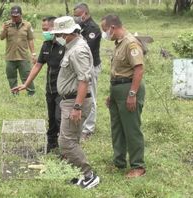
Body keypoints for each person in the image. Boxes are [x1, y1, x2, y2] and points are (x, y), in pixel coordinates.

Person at [51, 16, 99, 189]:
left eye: (59, 34)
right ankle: (77, 173)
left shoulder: (78, 50)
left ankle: (89, 175)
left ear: (69, 33)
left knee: (66, 142)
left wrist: (77, 107)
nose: (57, 37)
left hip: (74, 102)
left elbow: (84, 80)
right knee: (72, 139)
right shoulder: (73, 46)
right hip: (69, 100)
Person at [101, 14, 146, 178]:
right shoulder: (118, 44)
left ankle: (138, 166)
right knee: (117, 128)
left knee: (131, 129)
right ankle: (119, 162)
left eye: (105, 30)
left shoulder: (130, 43)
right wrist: (111, 95)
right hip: (117, 89)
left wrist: (132, 94)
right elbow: (117, 72)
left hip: (129, 89)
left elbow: (139, 69)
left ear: (112, 27)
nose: (105, 34)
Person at [11, 16, 64, 153]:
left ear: (55, 28)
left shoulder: (65, 46)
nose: (44, 32)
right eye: (42, 29)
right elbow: (38, 65)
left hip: (63, 90)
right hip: (50, 88)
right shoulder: (46, 45)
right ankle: (51, 144)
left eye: (46, 29)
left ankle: (65, 147)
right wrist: (26, 84)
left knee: (60, 118)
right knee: (52, 118)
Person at [73, 3, 102, 139]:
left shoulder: (93, 29)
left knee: (91, 97)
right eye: (75, 16)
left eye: (78, 15)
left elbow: (85, 48)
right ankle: (79, 125)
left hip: (91, 67)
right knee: (80, 95)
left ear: (85, 13)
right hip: (80, 66)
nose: (76, 18)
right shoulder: (80, 26)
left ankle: (88, 129)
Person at [0, 5, 36, 96]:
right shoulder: (6, 24)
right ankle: (14, 94)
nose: (14, 18)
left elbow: (30, 39)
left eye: (16, 16)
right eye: (12, 16)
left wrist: (33, 53)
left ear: (21, 15)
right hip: (10, 56)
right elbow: (1, 37)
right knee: (11, 77)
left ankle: (31, 93)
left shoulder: (27, 25)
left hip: (23, 56)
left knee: (26, 76)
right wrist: (4, 29)